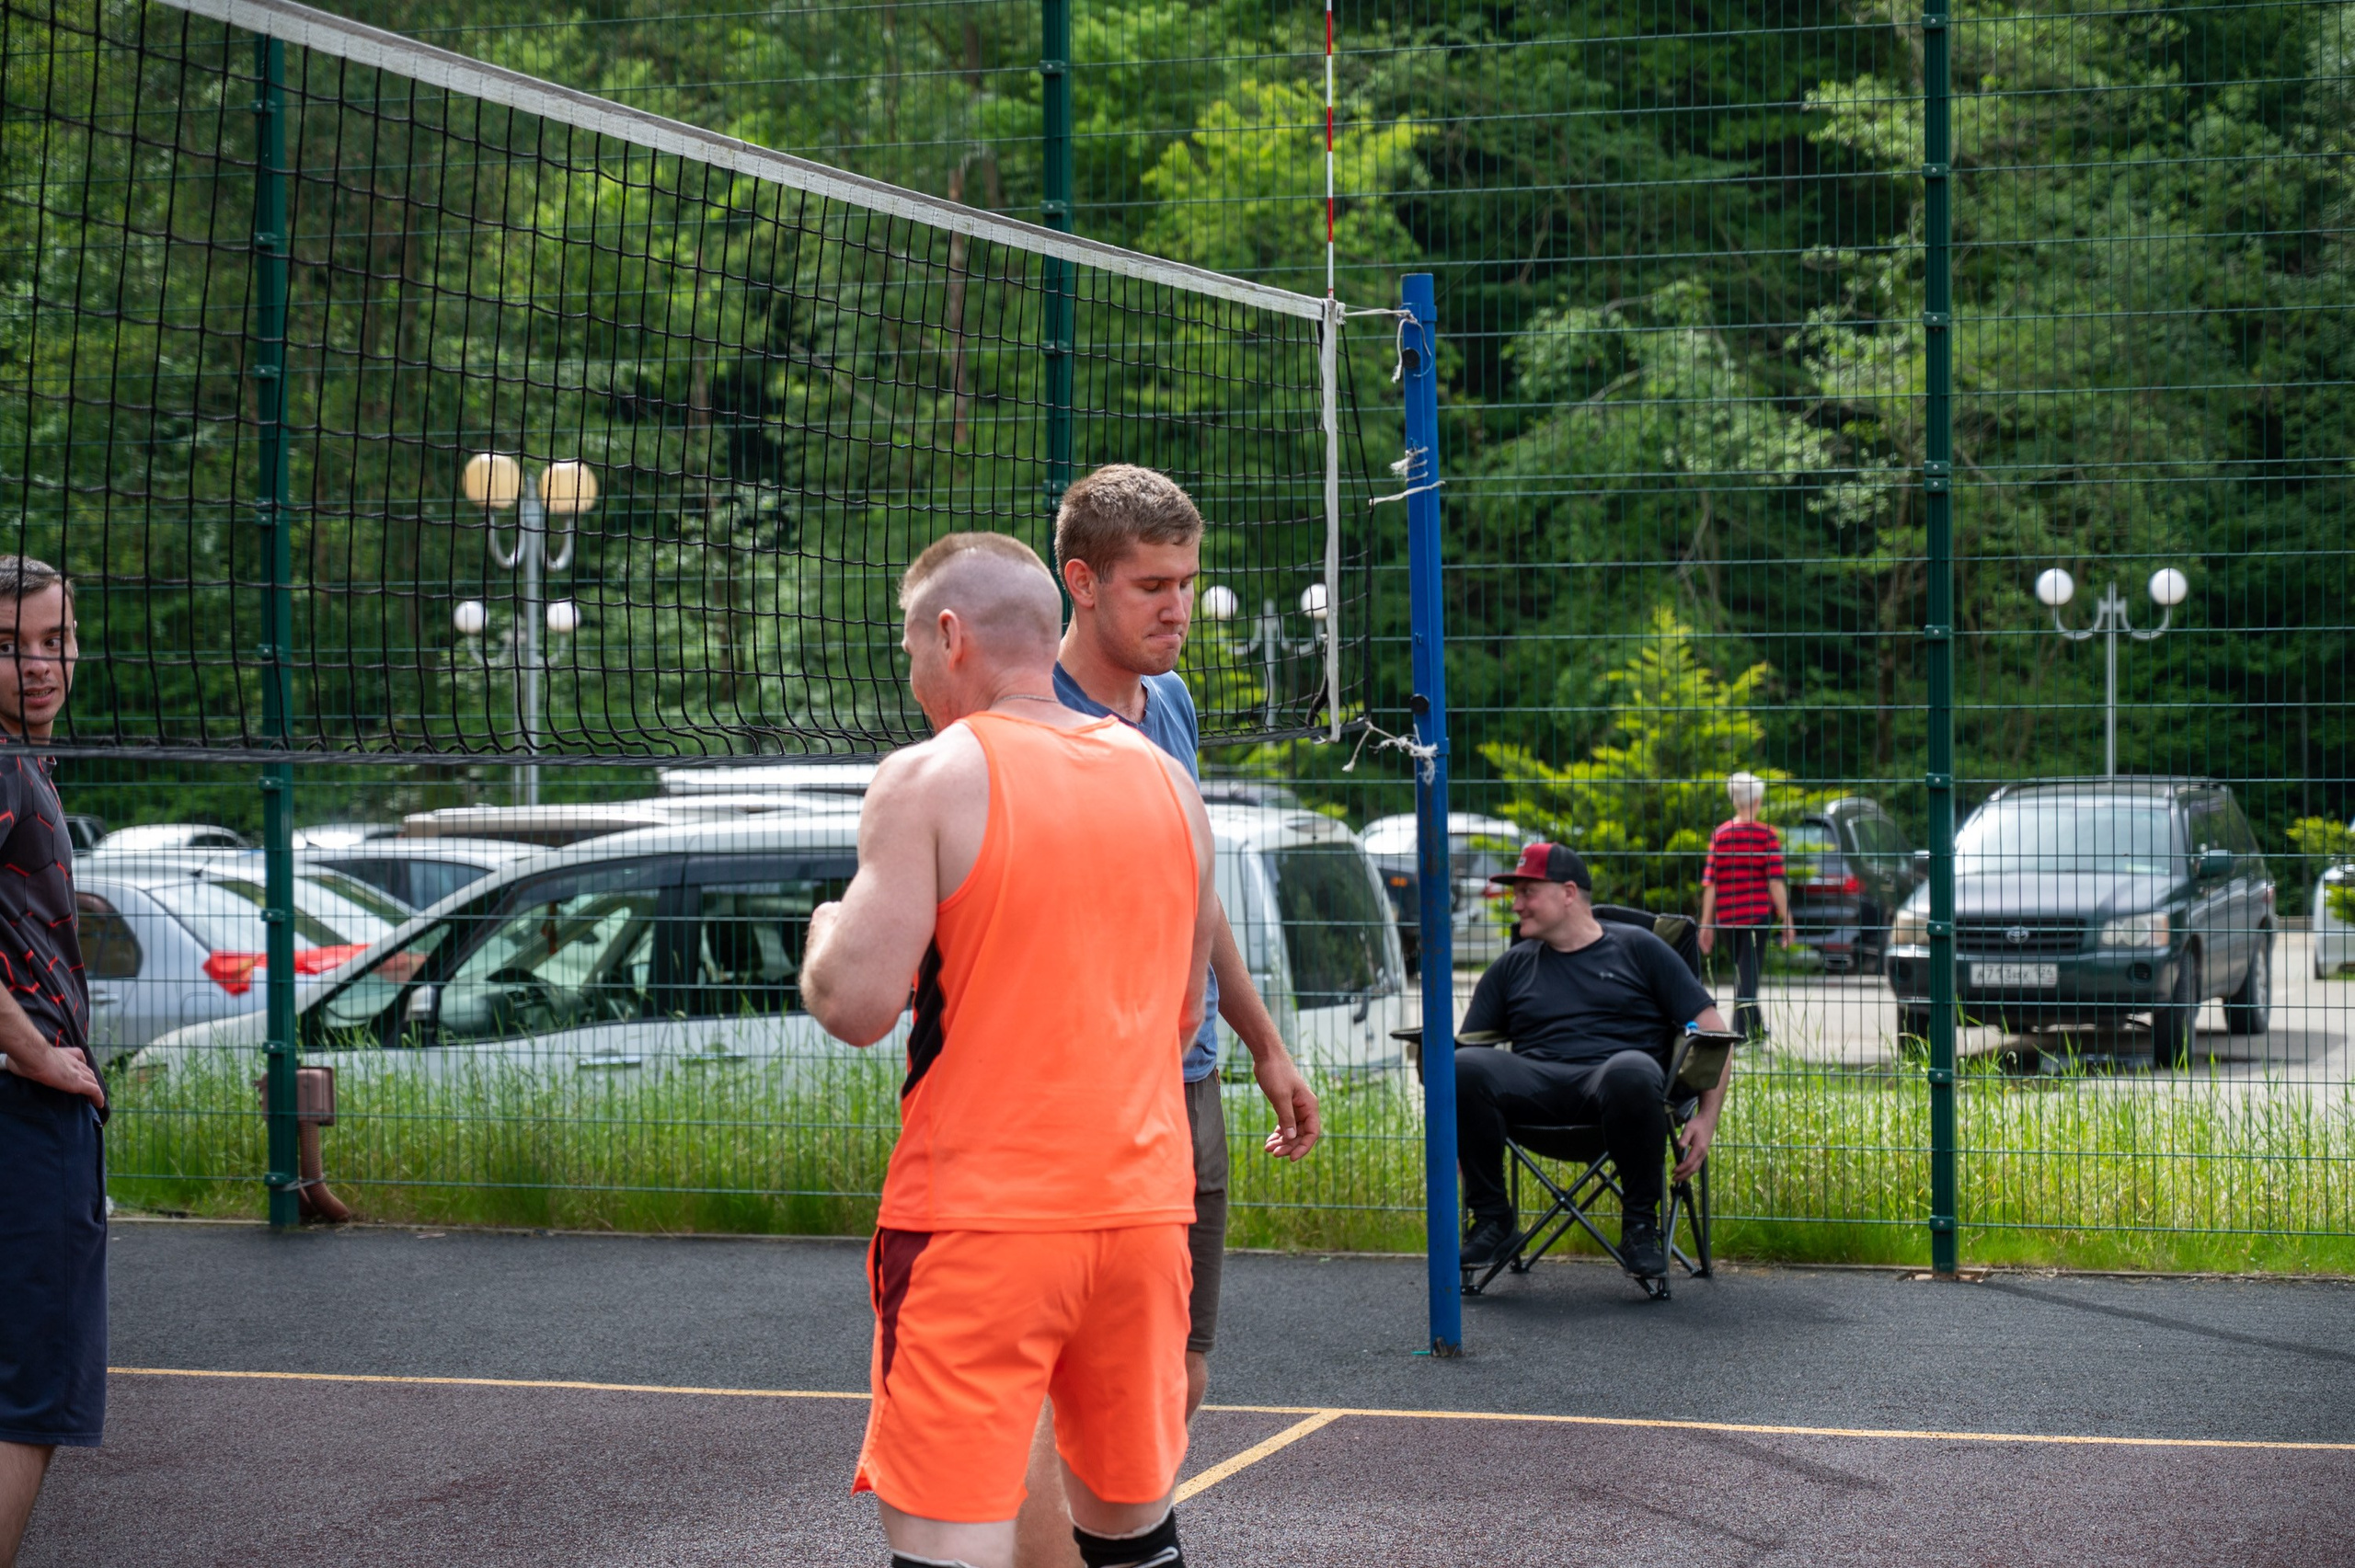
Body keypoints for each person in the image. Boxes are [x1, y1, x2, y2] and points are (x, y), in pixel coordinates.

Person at [802, 532, 1216, 1568]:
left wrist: (820, 932)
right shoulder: (1170, 786)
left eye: (909, 651)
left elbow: (854, 1004)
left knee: (950, 1544)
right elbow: (1178, 1020)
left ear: (950, 636)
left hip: (981, 1224)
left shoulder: (931, 776)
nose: (911, 677)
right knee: (1132, 1536)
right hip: (1138, 1216)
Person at [1021, 462, 1320, 1562]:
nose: (1178, 609)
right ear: (1081, 582)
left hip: (1186, 1088)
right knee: (1081, 1385)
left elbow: (1193, 896)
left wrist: (1265, 1046)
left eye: (1188, 583)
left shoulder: (1174, 705)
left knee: (1179, 1376)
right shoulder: (1029, 724)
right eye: (1153, 585)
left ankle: (1107, 1535)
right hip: (1086, 1104)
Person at [1453, 842, 1732, 1281]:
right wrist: (1458, 1128)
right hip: (1536, 1096)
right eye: (1516, 893)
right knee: (1463, 1067)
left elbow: (1715, 1032)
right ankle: (1493, 1221)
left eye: (1528, 892)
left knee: (1633, 1069)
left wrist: (1707, 1118)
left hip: (1621, 1096)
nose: (1516, 904)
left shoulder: (1640, 948)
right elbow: (1466, 1047)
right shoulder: (1511, 967)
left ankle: (1641, 1226)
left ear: (1567, 893)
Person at [0, 556, 103, 1568]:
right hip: (21, 1116)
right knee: (28, 1395)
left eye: (54, 638)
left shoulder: (26, 762)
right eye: (8, 644)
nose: (38, 664)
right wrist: (36, 1051)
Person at [1697, 772, 1796, 1040]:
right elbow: (1775, 882)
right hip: (1756, 916)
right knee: (1748, 974)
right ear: (1758, 800)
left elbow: (1711, 883)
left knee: (1745, 972)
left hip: (1727, 917)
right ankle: (1742, 1034)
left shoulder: (1721, 834)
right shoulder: (1766, 836)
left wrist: (1707, 924)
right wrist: (1787, 919)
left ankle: (1755, 1029)